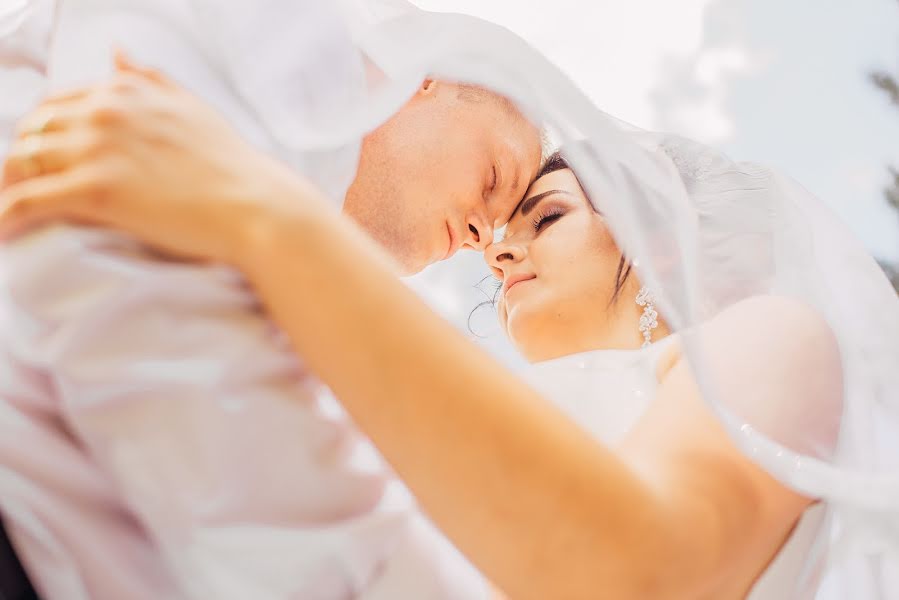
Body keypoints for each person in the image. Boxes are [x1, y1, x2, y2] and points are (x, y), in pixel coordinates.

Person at [4, 57, 897, 599]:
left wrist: (264, 217)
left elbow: (642, 572)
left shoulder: (773, 337)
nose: (496, 252)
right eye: (495, 245)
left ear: (660, 243)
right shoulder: (466, 410)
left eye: (544, 217)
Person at [0, 1, 540, 598]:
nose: (483, 240)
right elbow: (155, 346)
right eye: (495, 177)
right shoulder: (278, 36)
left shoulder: (297, 231)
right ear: (428, 78)